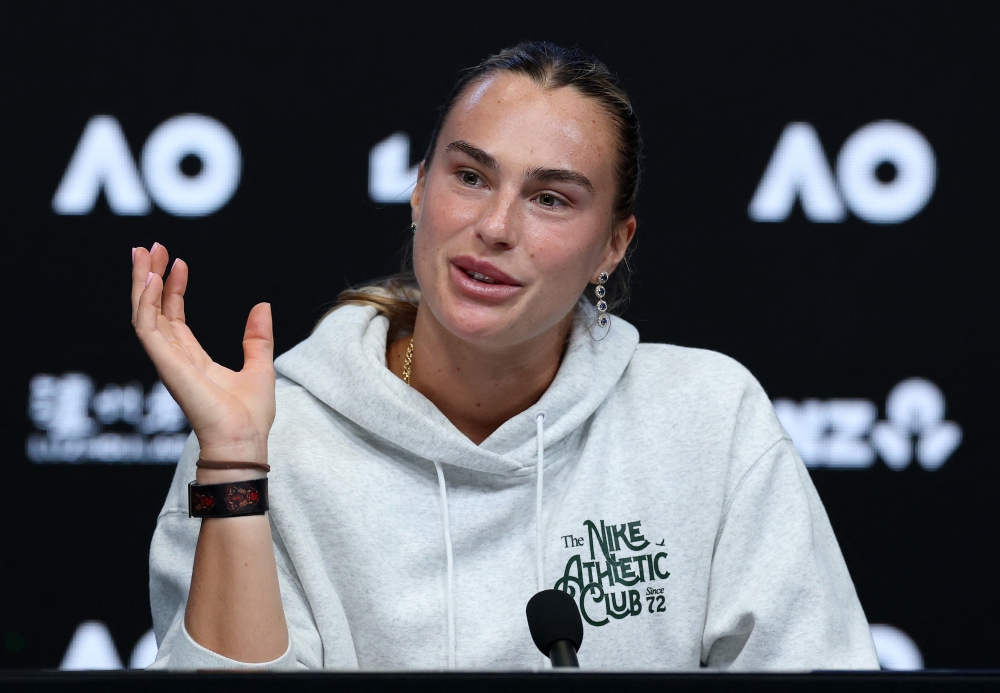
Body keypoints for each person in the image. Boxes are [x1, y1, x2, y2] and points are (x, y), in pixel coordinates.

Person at [136, 42, 879, 671]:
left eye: (551, 198)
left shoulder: (707, 418)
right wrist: (235, 461)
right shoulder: (271, 435)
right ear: (421, 191)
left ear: (613, 245)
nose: (495, 226)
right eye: (469, 177)